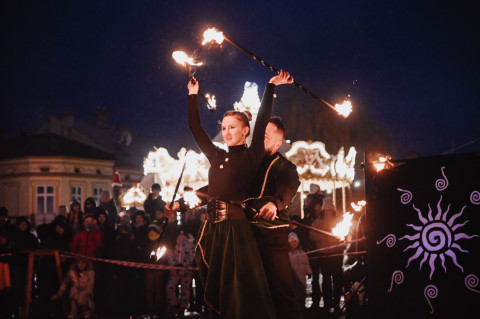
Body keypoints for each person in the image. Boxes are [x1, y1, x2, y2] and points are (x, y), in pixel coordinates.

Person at [185, 70, 293, 318]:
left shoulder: (250, 155)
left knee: (239, 294)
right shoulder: (216, 156)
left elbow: (263, 117)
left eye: (233, 127)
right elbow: (195, 127)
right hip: (214, 229)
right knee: (220, 293)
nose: (227, 132)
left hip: (235, 230)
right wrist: (192, 94)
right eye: (224, 128)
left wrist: (270, 86)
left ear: (246, 130)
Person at [244, 116, 302, 319]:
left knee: (281, 294)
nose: (259, 139)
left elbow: (288, 187)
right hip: (246, 239)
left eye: (265, 136)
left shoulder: (285, 167)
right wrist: (185, 203)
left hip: (272, 240)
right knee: (249, 297)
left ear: (278, 143)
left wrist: (275, 204)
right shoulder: (247, 165)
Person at [309, 196, 344, 313]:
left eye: (330, 209)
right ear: (324, 210)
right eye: (327, 209)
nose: (328, 212)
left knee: (337, 279)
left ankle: (337, 303)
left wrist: (336, 239)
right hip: (324, 255)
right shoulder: (318, 222)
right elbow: (312, 235)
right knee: (326, 280)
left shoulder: (339, 221)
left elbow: (343, 236)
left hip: (336, 254)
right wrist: (324, 236)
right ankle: (328, 304)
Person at [166, 231, 195, 318]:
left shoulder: (190, 246)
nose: (181, 237)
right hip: (175, 271)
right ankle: (173, 304)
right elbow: (170, 256)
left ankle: (182, 307)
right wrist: (174, 265)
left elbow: (192, 256)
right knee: (169, 287)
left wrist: (183, 264)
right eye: (179, 235)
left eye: (183, 235)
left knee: (185, 290)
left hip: (186, 272)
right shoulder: (173, 245)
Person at [288, 232, 312, 313]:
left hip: (301, 276)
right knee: (294, 293)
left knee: (302, 292)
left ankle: (302, 308)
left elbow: (306, 263)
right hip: (292, 277)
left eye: (295, 242)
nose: (294, 243)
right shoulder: (288, 254)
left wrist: (309, 272)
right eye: (292, 242)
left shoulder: (302, 253)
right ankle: (295, 309)